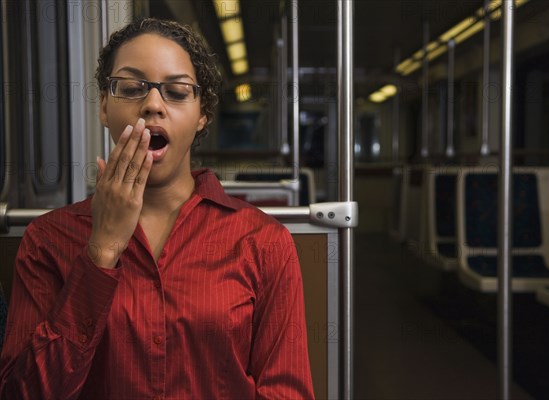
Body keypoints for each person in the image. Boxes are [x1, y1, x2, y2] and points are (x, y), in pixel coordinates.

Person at [0, 18, 314, 399]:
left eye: (177, 92)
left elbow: (286, 391)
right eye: (131, 88)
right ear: (103, 107)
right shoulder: (47, 241)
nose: (152, 104)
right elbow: (24, 392)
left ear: (202, 116)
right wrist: (101, 252)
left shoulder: (263, 242)